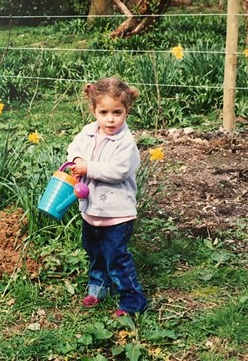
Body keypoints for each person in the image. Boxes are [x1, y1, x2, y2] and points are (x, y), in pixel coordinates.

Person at [67, 76, 147, 317]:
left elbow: (119, 170)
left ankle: (132, 301)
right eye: (104, 112)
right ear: (94, 110)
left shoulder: (125, 142)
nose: (110, 119)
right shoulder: (87, 132)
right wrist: (77, 161)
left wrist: (88, 168)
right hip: (91, 211)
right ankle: (98, 286)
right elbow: (74, 149)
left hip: (117, 214)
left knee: (117, 258)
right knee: (94, 251)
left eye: (117, 112)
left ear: (126, 111)